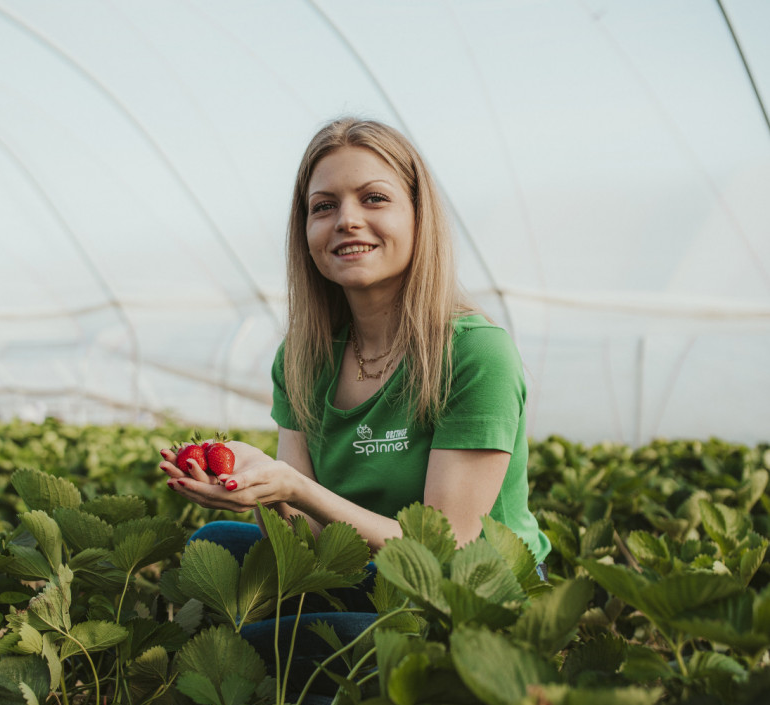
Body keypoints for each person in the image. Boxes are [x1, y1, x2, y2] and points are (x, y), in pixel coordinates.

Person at [160, 117, 550, 578]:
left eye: (374, 199)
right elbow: (306, 540)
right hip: (367, 565)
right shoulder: (303, 357)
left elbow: (443, 550)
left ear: (418, 217)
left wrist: (296, 487)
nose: (347, 220)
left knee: (284, 640)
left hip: (471, 587)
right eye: (323, 207)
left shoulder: (474, 354)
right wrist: (264, 487)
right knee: (215, 543)